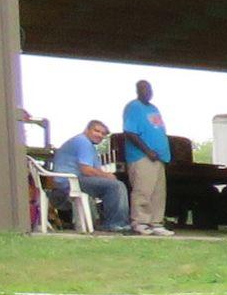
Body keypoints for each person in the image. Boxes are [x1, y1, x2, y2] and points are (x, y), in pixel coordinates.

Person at [49, 121, 131, 232]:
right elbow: (86, 170)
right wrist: (107, 176)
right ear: (87, 130)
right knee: (117, 186)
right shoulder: (83, 142)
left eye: (103, 134)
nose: (100, 135)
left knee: (111, 186)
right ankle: (116, 224)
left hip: (70, 181)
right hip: (69, 182)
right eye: (96, 131)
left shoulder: (88, 145)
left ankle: (105, 221)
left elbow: (96, 170)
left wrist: (106, 176)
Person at [120, 80, 175, 235]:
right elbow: (130, 132)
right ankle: (140, 222)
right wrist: (147, 150)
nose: (147, 91)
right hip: (142, 156)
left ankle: (156, 223)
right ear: (137, 90)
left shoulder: (153, 108)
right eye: (144, 88)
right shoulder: (133, 107)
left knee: (158, 192)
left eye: (149, 88)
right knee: (143, 189)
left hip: (159, 157)